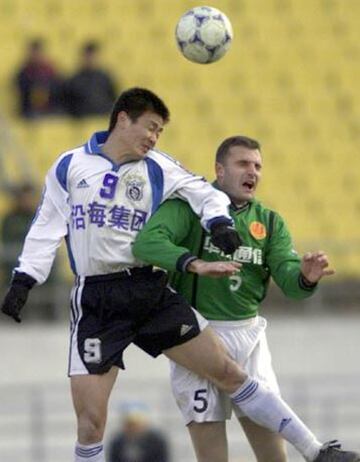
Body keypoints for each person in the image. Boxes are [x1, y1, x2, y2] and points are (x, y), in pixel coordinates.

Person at [1, 87, 246, 462]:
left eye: (159, 132)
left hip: (147, 287)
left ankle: (310, 449)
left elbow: (203, 192)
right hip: (95, 298)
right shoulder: (69, 166)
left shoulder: (157, 166)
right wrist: (24, 280)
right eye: (150, 127)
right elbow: (46, 226)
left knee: (231, 373)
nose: (153, 137)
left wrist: (219, 223)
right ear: (122, 119)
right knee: (89, 426)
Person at [133, 135, 360, 462]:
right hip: (198, 335)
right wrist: (194, 263)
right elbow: (146, 245)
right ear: (219, 170)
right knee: (212, 455)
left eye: (257, 166)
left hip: (249, 336)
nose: (252, 171)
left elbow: (290, 281)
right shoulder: (188, 206)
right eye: (243, 164)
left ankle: (315, 452)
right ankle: (316, 452)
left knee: (272, 455)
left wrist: (305, 276)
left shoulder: (269, 222)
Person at [0, 182, 60, 320]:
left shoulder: (40, 217)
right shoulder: (11, 219)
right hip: (16, 265)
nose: (27, 201)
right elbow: (9, 243)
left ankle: (49, 317)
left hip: (40, 266)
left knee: (50, 270)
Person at [63, 41, 117, 118]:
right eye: (87, 56)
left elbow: (113, 99)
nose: (90, 59)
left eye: (92, 56)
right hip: (82, 120)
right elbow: (69, 104)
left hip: (102, 118)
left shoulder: (105, 78)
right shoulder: (74, 80)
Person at [14, 39, 63, 118]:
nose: (36, 56)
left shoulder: (50, 71)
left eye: (38, 52)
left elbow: (58, 89)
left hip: (50, 109)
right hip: (31, 111)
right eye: (33, 52)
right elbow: (23, 93)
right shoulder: (23, 73)